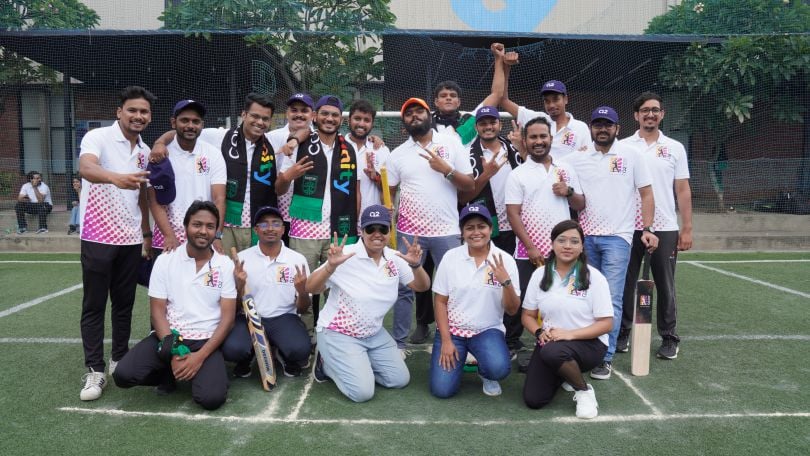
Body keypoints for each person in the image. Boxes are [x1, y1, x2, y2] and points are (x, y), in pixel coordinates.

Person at [113, 201, 237, 410]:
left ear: (216, 231)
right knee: (123, 376)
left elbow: (228, 319)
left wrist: (199, 357)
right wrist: (174, 351)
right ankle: (170, 371)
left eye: (209, 226)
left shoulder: (224, 264)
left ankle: (198, 370)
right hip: (170, 337)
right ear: (186, 226)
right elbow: (157, 312)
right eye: (197, 224)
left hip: (205, 341)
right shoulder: (165, 260)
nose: (203, 231)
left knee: (211, 399)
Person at [564, 106, 658, 381]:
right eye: (597, 125)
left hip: (618, 237)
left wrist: (648, 228)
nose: (602, 129)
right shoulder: (577, 158)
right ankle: (587, 349)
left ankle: (604, 358)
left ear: (617, 128)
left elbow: (647, 193)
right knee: (586, 296)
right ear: (591, 128)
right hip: (586, 238)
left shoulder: (632, 155)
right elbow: (553, 164)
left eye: (608, 125)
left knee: (612, 298)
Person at [306, 205, 429, 402]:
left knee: (399, 379)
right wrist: (330, 266)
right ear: (361, 232)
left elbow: (421, 286)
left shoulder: (394, 258)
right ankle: (326, 364)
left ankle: (354, 362)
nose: (377, 234)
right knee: (362, 393)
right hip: (339, 332)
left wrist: (415, 265)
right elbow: (310, 287)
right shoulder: (344, 255)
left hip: (373, 333)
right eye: (371, 229)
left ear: (390, 231)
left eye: (383, 229)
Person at [77, 85, 154, 401]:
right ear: (119, 112)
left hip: (131, 240)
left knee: (124, 304)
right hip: (97, 236)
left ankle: (118, 358)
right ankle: (94, 371)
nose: (138, 116)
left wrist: (147, 234)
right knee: (95, 305)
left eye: (144, 112)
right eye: (133, 110)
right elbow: (86, 168)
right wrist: (116, 178)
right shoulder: (98, 138)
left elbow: (144, 197)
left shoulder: (145, 151)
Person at [387, 97, 474, 355]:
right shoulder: (398, 155)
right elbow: (389, 192)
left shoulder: (452, 144)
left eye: (419, 112)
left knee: (455, 288)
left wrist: (445, 170)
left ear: (429, 115)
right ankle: (399, 344)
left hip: (446, 231)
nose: (415, 116)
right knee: (405, 288)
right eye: (409, 114)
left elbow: (468, 185)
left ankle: (460, 340)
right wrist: (388, 205)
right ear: (404, 123)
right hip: (409, 233)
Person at [150, 93, 288, 253]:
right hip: (229, 224)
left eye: (265, 119)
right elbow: (185, 132)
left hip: (259, 222)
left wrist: (293, 141)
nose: (259, 122)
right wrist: (159, 142)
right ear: (244, 114)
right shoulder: (220, 137)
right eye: (255, 116)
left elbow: (303, 132)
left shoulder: (274, 141)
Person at [618, 92, 693, 360]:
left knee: (664, 283)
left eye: (655, 110)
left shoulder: (674, 147)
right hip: (628, 227)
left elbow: (682, 189)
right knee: (625, 282)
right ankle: (623, 332)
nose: (650, 114)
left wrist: (686, 228)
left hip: (664, 227)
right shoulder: (623, 146)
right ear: (636, 115)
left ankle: (669, 337)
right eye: (645, 110)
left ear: (662, 114)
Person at [275, 95, 360, 332]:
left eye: (334, 115)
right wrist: (289, 175)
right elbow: (279, 187)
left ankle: (334, 332)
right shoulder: (298, 143)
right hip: (305, 229)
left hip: (338, 230)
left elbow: (355, 189)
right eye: (324, 113)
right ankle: (306, 334)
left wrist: (356, 225)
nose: (329, 119)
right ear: (315, 116)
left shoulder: (348, 149)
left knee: (338, 285)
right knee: (302, 285)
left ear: (341, 119)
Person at [505, 116, 585, 352]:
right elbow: (513, 214)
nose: (538, 141)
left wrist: (568, 191)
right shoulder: (518, 174)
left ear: (550, 138)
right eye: (533, 137)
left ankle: (561, 340)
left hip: (563, 250)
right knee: (520, 299)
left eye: (543, 136)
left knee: (562, 298)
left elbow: (580, 204)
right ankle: (511, 342)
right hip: (527, 251)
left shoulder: (566, 169)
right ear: (525, 141)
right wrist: (530, 247)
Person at [521, 220, 613, 420]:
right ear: (552, 244)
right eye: (561, 240)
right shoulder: (540, 274)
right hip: (551, 343)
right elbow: (527, 316)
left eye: (574, 241)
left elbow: (606, 324)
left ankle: (583, 391)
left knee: (554, 351)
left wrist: (570, 334)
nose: (567, 246)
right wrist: (538, 332)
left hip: (589, 344)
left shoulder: (594, 277)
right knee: (534, 399)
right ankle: (565, 373)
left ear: (582, 247)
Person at [430, 203, 520, 398]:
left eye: (481, 226)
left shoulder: (505, 260)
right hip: (453, 331)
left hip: (486, 330)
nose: (476, 232)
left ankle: (484, 372)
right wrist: (446, 340)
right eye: (469, 228)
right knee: (442, 390)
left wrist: (506, 282)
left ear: (491, 229)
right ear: (462, 232)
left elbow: (512, 310)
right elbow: (440, 301)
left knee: (498, 369)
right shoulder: (451, 257)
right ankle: (460, 356)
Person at [223, 206, 312, 378]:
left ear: (283, 229)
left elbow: (302, 309)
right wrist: (239, 286)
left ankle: (282, 352)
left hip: (284, 317)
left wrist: (302, 292)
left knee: (300, 351)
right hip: (249, 318)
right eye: (263, 225)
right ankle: (248, 355)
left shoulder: (296, 259)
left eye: (276, 223)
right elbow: (232, 308)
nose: (270, 228)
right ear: (256, 230)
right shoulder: (242, 258)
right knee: (232, 350)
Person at [148, 100, 226, 256]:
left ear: (202, 125)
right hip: (167, 237)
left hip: (203, 236)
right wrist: (169, 235)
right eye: (185, 120)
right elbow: (154, 201)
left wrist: (216, 235)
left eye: (195, 121)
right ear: (173, 122)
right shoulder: (160, 155)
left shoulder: (213, 154)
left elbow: (219, 199)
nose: (190, 125)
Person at [500, 74, 591, 163]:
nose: (551, 105)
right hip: (539, 176)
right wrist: (506, 67)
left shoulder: (581, 127)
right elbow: (503, 100)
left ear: (565, 99)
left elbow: (587, 159)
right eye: (547, 101)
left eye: (556, 99)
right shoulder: (537, 120)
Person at [266, 93, 316, 236]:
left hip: (307, 215)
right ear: (287, 113)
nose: (299, 114)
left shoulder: (318, 139)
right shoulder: (271, 137)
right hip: (277, 211)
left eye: (304, 111)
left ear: (312, 115)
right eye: (294, 110)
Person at [346, 99, 391, 214]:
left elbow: (390, 189)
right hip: (343, 218)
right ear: (348, 120)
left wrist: (375, 177)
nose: (361, 124)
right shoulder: (337, 147)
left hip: (372, 221)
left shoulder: (381, 150)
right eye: (357, 118)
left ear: (372, 124)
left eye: (366, 120)